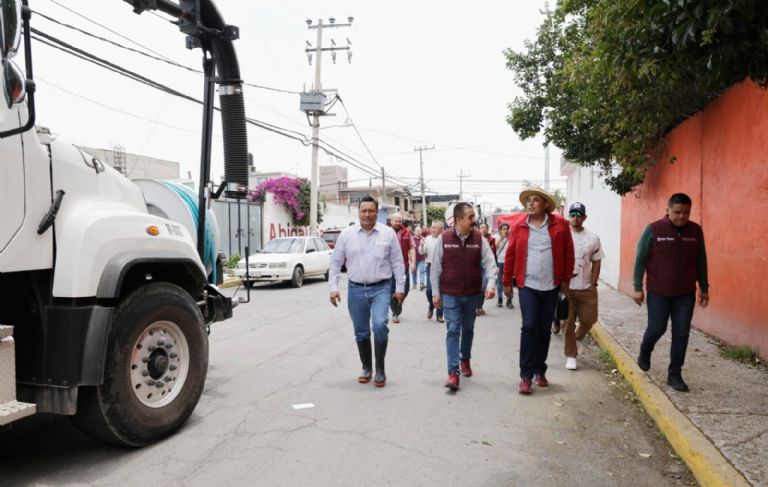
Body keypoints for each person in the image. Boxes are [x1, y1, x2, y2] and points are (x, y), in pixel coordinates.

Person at [633, 193, 709, 392]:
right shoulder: (653, 229)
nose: (681, 217)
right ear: (668, 211)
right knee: (657, 328)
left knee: (681, 333)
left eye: (686, 212)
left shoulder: (695, 231)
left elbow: (701, 260)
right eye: (677, 212)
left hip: (685, 293)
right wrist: (637, 288)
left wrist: (704, 287)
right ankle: (645, 349)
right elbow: (640, 258)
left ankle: (675, 374)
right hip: (659, 291)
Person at [329, 196, 406, 388]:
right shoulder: (347, 235)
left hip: (381, 287)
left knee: (380, 325)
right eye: (364, 211)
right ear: (358, 212)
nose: (367, 214)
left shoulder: (388, 234)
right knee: (361, 332)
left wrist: (400, 289)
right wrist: (333, 287)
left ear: (376, 212)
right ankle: (366, 368)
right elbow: (336, 262)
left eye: (371, 211)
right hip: (355, 289)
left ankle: (380, 369)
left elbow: (397, 262)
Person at [503, 188, 574, 395]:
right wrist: (507, 282)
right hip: (527, 285)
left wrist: (566, 280)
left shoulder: (560, 225)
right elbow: (510, 255)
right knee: (529, 326)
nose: (531, 204)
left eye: (535, 200)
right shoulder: (519, 226)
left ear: (545, 205)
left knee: (544, 330)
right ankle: (525, 375)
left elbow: (568, 252)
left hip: (551, 285)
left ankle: (539, 370)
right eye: (529, 201)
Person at [431, 203, 498, 390]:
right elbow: (435, 268)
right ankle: (453, 372)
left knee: (468, 329)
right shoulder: (444, 238)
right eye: (470, 217)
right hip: (450, 294)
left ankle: (465, 359)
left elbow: (490, 263)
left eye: (473, 216)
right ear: (458, 220)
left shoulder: (479, 238)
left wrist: (491, 285)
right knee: (453, 330)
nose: (473, 220)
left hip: (472, 294)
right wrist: (436, 293)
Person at [562, 202, 604, 370]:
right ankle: (571, 355)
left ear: (584, 217)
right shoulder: (562, 235)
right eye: (572, 214)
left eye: (579, 215)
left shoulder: (593, 238)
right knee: (568, 322)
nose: (575, 217)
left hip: (586, 287)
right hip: (567, 287)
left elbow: (597, 261)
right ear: (569, 216)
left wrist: (593, 283)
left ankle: (577, 338)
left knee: (589, 320)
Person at [389, 213, 416, 323]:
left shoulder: (406, 232)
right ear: (391, 221)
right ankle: (395, 313)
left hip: (404, 265)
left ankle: (399, 301)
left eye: (400, 221)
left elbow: (412, 247)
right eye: (396, 221)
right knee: (391, 290)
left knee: (405, 288)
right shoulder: (386, 232)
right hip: (389, 267)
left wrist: (413, 262)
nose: (398, 223)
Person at [419, 221, 444, 323]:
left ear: (441, 230)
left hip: (443, 267)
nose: (432, 229)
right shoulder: (428, 239)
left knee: (441, 292)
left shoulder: (444, 239)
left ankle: (440, 314)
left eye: (435, 228)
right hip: (430, 266)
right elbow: (421, 252)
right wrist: (421, 245)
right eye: (431, 227)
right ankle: (431, 305)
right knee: (429, 290)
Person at [475, 222, 497, 316]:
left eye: (485, 227)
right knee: (476, 288)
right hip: (476, 267)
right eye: (481, 227)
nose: (483, 229)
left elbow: (493, 254)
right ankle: (476, 308)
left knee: (484, 287)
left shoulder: (492, 240)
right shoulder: (475, 239)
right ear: (479, 229)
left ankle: (480, 306)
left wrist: (496, 266)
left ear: (488, 229)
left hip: (486, 268)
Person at [495, 223, 514, 309]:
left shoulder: (511, 239)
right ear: (500, 230)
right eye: (504, 229)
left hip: (509, 263)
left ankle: (509, 300)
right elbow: (494, 248)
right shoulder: (497, 238)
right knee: (499, 282)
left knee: (509, 282)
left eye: (507, 229)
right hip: (499, 262)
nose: (506, 231)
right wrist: (500, 239)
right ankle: (500, 299)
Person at [412, 226, 427, 291]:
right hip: (414, 258)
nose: (418, 232)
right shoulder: (412, 239)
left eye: (419, 230)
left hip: (421, 258)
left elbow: (426, 249)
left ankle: (421, 284)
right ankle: (414, 283)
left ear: (421, 232)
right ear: (414, 231)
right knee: (414, 271)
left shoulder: (423, 239)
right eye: (417, 230)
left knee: (422, 271)